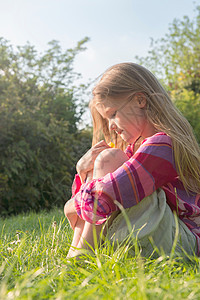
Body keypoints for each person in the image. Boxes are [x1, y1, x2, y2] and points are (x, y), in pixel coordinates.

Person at [64, 62, 200, 259]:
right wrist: (81, 169)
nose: (111, 127)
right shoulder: (134, 153)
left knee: (109, 160)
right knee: (106, 166)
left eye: (113, 114)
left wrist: (71, 205)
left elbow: (109, 193)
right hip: (165, 234)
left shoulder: (163, 145)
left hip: (183, 239)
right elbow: (96, 198)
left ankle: (80, 256)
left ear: (140, 101)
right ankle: (77, 252)